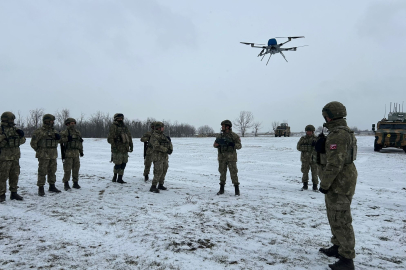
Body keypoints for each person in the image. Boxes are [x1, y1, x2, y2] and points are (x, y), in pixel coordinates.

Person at [316, 101, 357, 270]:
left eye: (326, 115)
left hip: (339, 183)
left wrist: (324, 184)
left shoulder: (338, 134)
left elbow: (335, 164)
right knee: (334, 216)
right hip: (339, 182)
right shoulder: (339, 132)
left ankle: (347, 258)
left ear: (330, 116)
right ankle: (337, 246)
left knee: (341, 219)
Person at [30, 114, 62, 196]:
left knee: (52, 171)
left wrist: (59, 138)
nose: (53, 122)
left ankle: (52, 186)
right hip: (43, 155)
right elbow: (33, 143)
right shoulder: (39, 131)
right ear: (46, 121)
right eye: (51, 121)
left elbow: (58, 142)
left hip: (53, 154)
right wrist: (40, 150)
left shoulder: (54, 131)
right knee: (42, 171)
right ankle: (41, 188)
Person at [0, 112, 26, 202]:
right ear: (5, 119)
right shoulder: (1, 129)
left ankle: (14, 193)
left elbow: (23, 141)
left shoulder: (15, 129)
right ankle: (1, 194)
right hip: (4, 157)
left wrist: (21, 136)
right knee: (2, 176)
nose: (12, 121)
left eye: (13, 119)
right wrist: (3, 137)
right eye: (11, 119)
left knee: (15, 175)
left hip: (15, 156)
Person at [213, 120, 242, 196]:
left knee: (233, 173)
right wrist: (218, 144)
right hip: (222, 158)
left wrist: (232, 144)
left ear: (227, 127)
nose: (222, 127)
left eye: (223, 126)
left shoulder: (234, 136)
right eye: (222, 126)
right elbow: (214, 145)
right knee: (222, 173)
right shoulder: (220, 136)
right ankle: (221, 189)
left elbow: (239, 146)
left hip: (231, 158)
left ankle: (237, 190)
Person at [107, 113, 133, 184]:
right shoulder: (114, 126)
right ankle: (115, 176)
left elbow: (129, 136)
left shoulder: (125, 127)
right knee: (118, 164)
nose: (120, 119)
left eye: (121, 118)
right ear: (115, 119)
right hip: (117, 149)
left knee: (123, 164)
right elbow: (110, 138)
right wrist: (114, 147)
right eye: (119, 118)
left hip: (125, 149)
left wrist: (131, 145)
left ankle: (120, 178)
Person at [60, 118, 84, 191]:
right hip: (68, 153)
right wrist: (67, 139)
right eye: (71, 123)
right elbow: (59, 140)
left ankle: (75, 182)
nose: (73, 124)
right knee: (67, 169)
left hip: (76, 153)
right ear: (67, 124)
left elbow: (80, 143)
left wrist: (81, 151)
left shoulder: (77, 132)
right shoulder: (64, 132)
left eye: (74, 123)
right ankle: (66, 183)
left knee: (76, 169)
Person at [149, 121, 172, 193]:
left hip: (164, 157)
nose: (163, 128)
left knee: (164, 170)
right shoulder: (154, 136)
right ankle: (153, 186)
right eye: (162, 127)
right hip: (157, 157)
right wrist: (166, 150)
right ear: (158, 128)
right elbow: (156, 146)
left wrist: (170, 149)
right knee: (158, 171)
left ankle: (161, 184)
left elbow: (168, 143)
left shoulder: (163, 136)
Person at [297, 125, 318, 191]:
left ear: (312, 131)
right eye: (307, 131)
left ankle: (315, 186)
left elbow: (320, 149)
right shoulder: (303, 139)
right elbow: (298, 147)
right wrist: (307, 147)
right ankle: (305, 185)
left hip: (314, 158)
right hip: (305, 159)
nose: (308, 132)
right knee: (305, 172)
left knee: (315, 173)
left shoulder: (316, 138)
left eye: (309, 131)